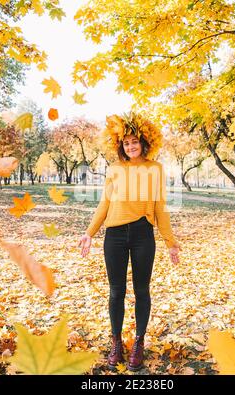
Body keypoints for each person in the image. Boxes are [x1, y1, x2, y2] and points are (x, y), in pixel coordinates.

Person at [78, 112, 180, 372]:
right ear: (120, 145)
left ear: (144, 142)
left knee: (141, 290)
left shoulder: (155, 169)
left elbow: (160, 207)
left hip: (143, 234)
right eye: (126, 143)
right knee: (116, 291)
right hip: (114, 236)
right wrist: (89, 232)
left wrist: (170, 241)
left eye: (135, 141)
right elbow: (105, 204)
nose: (131, 146)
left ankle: (138, 342)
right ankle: (116, 343)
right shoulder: (114, 170)